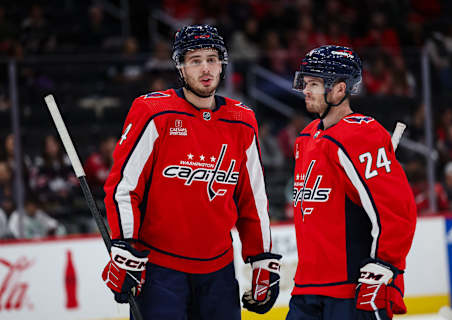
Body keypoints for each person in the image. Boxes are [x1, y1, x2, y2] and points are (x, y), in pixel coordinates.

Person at [101, 24, 281, 319]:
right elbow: (124, 187)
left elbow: (253, 200)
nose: (205, 68)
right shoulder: (154, 112)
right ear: (180, 68)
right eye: (195, 60)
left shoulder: (242, 120)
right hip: (160, 272)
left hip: (219, 273)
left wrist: (261, 258)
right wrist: (125, 247)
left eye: (212, 59)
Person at [286, 45, 417, 320]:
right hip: (306, 287)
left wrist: (384, 264)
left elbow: (396, 208)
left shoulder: (361, 135)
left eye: (314, 84)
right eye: (305, 82)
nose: (306, 90)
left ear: (339, 89)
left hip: (348, 290)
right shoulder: (305, 137)